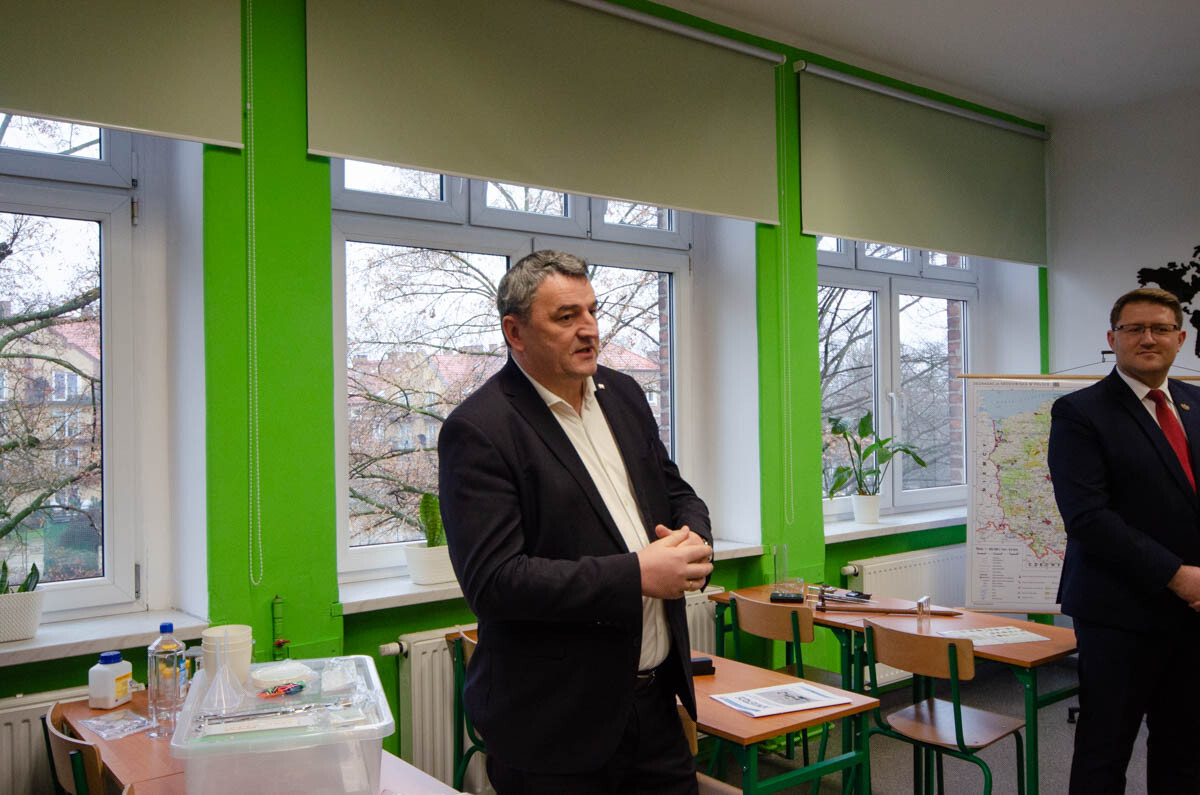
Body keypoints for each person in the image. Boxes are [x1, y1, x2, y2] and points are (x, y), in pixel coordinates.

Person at [439, 250, 713, 794]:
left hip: (655, 706)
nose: (589, 329)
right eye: (566, 317)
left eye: (591, 311)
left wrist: (693, 538)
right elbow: (495, 582)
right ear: (515, 332)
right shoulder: (480, 429)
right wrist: (636, 574)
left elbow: (673, 490)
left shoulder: (624, 393)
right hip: (554, 727)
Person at [1048, 287, 1200, 794]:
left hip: (1191, 614)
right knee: (1104, 752)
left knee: (1184, 748)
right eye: (1134, 329)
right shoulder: (1079, 412)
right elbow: (1088, 518)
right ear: (1112, 339)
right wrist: (1178, 576)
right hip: (1119, 614)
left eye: (1160, 328)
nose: (1148, 339)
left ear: (1180, 339)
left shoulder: (1195, 402)